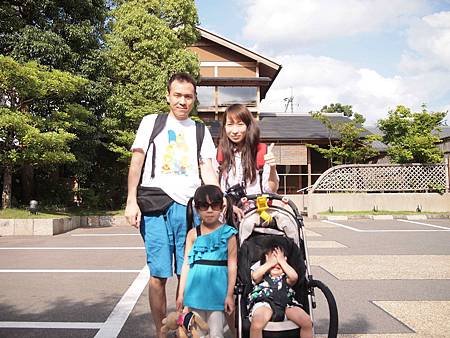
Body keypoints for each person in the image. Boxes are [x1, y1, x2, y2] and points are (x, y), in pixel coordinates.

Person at [125, 72, 218, 337]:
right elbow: (137, 162)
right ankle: (160, 332)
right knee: (158, 274)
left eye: (188, 96)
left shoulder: (200, 130)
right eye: (177, 95)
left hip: (189, 209)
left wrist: (220, 202)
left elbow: (207, 170)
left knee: (187, 274)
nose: (182, 101)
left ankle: (182, 330)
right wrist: (131, 200)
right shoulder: (151, 122)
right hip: (154, 206)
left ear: (194, 99)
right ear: (168, 96)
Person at [177, 185, 238, 338]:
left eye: (214, 205)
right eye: (204, 206)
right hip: (194, 293)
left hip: (218, 293)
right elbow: (186, 265)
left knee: (216, 333)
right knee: (198, 334)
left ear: (222, 207)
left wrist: (230, 294)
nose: (209, 210)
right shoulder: (192, 234)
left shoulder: (229, 234)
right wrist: (180, 293)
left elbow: (232, 266)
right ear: (197, 208)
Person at [248, 244, 313, 338]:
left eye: (279, 259)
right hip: (264, 303)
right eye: (273, 259)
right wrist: (269, 263)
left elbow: (294, 277)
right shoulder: (262, 277)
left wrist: (282, 262)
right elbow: (255, 276)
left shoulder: (286, 278)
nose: (276, 263)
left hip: (287, 304)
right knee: (257, 323)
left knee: (307, 322)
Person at [217, 104, 279, 197]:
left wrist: (273, 168)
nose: (234, 131)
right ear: (224, 127)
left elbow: (271, 189)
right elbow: (214, 187)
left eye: (240, 124)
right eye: (230, 124)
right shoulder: (219, 153)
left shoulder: (262, 151)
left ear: (248, 126)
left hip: (256, 209)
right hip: (229, 209)